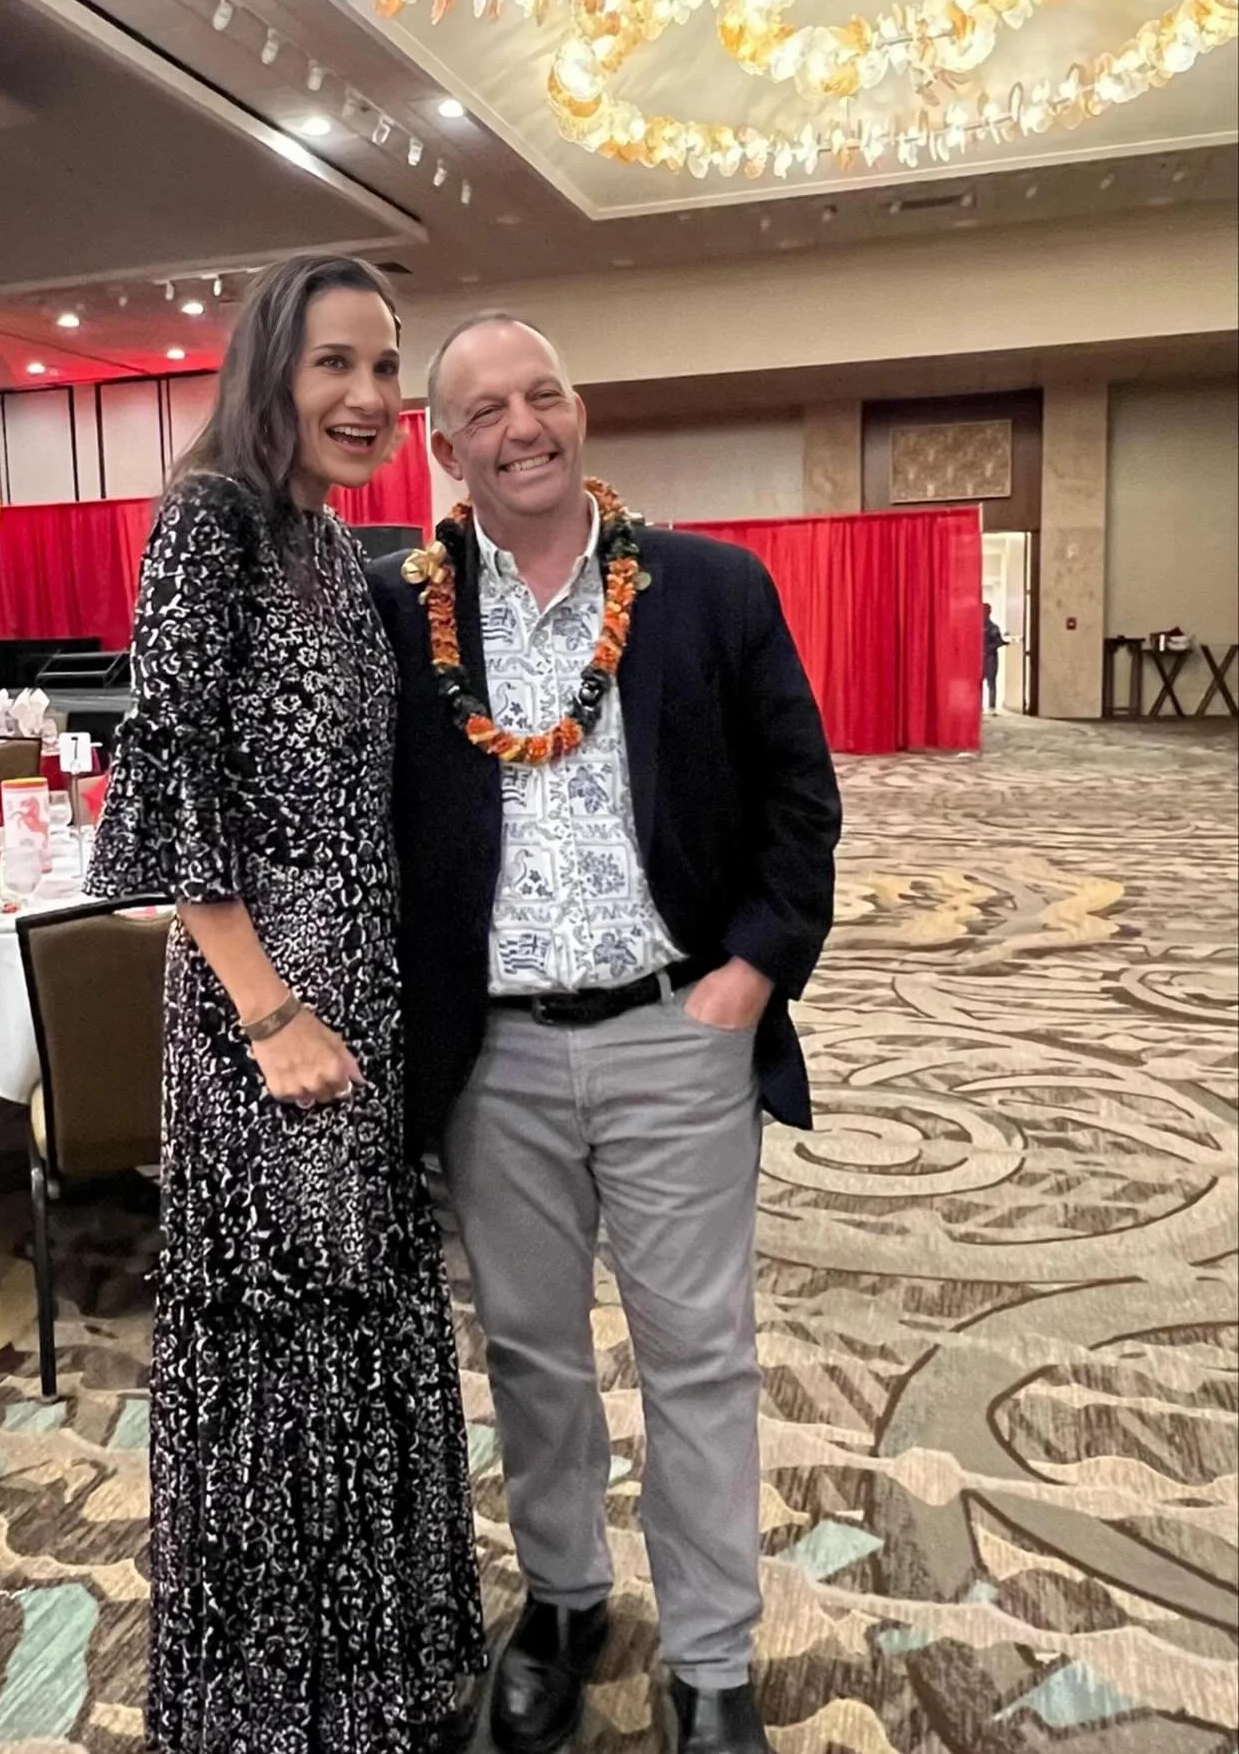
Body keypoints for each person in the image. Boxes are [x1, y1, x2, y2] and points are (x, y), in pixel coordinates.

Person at [370, 314, 841, 1754]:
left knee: (696, 1352)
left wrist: (751, 975)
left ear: (581, 411)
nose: (523, 425)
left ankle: (709, 1659)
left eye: (544, 393)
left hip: (674, 1030)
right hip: (491, 1053)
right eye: (486, 408)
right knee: (530, 1351)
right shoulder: (400, 611)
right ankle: (566, 1598)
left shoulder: (708, 586)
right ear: (443, 447)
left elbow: (799, 803)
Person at [87, 255, 484, 1754]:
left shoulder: (330, 543)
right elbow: (174, 790)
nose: (371, 397)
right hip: (270, 1023)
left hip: (360, 1000)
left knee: (364, 1322)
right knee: (283, 1337)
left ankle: (374, 1669)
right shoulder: (213, 521)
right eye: (335, 364)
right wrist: (269, 1015)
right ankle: (278, 1700)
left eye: (388, 366)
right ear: (271, 370)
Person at [982, 602, 1008, 712]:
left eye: (985, 611)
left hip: (990, 659)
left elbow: (998, 642)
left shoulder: (993, 628)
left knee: (991, 682)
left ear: (989, 612)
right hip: (979, 659)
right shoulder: (974, 626)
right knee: (977, 684)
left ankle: (992, 707)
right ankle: (978, 707)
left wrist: (987, 649)